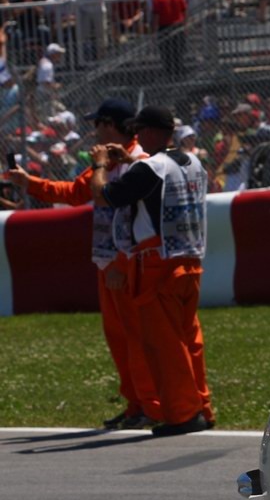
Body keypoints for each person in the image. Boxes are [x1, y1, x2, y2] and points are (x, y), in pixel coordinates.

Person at [3, 99, 162, 428]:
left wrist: (118, 262)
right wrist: (27, 182)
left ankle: (151, 405)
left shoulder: (137, 162)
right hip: (108, 263)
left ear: (109, 125)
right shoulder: (104, 163)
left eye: (97, 125)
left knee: (135, 337)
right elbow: (75, 192)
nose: (92, 132)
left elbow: (133, 220)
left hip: (126, 264)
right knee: (119, 338)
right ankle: (135, 404)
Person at [90, 105, 215, 437]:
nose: (137, 136)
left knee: (165, 345)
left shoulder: (149, 167)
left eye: (140, 129)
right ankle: (202, 406)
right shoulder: (192, 161)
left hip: (157, 263)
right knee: (190, 340)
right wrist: (132, 161)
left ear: (150, 132)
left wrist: (101, 165)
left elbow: (107, 195)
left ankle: (182, 415)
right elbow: (157, 179)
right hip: (190, 259)